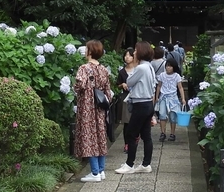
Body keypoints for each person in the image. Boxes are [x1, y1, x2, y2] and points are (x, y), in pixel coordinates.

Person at [73, 40, 112, 181]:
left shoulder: (84, 68)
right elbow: (108, 92)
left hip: (87, 108)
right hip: (100, 108)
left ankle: (95, 172)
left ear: (90, 51)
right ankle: (101, 171)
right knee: (100, 137)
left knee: (89, 137)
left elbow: (79, 85)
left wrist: (77, 88)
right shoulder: (104, 69)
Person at [115, 41, 156, 175]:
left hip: (140, 104)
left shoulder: (140, 68)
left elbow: (129, 82)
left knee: (131, 134)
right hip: (148, 103)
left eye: (136, 51)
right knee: (146, 135)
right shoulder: (149, 66)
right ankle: (146, 164)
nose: (134, 53)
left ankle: (129, 164)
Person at [156, 57, 185, 142]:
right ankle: (163, 133)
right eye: (167, 66)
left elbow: (180, 87)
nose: (168, 68)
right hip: (163, 97)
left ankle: (172, 133)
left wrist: (183, 98)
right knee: (162, 115)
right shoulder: (162, 75)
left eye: (170, 66)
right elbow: (159, 86)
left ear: (174, 67)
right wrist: (157, 97)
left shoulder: (177, 76)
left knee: (173, 116)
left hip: (173, 98)